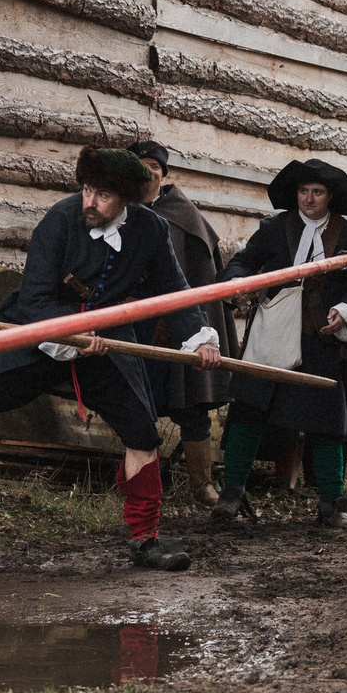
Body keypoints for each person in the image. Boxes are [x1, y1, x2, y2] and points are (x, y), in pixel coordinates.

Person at [0, 145, 223, 571]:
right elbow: (35, 299)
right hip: (41, 328)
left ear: (127, 201)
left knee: (142, 433)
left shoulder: (151, 229)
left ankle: (145, 539)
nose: (89, 202)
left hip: (107, 341)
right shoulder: (59, 220)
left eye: (103, 195)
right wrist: (72, 329)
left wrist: (200, 340)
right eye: (87, 189)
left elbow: (175, 293)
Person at [209, 159, 347, 530]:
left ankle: (332, 504)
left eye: (317, 192)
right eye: (304, 191)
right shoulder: (274, 229)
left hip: (321, 340)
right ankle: (231, 494)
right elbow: (244, 262)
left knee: (327, 422)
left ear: (330, 197)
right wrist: (239, 282)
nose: (309, 198)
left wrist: (344, 311)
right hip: (271, 335)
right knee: (248, 410)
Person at [131, 139, 230, 505]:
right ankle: (140, 484)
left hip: (179, 326)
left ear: (164, 174)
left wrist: (194, 326)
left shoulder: (184, 216)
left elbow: (200, 276)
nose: (148, 173)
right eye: (140, 166)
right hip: (133, 324)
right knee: (134, 403)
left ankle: (202, 485)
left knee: (190, 405)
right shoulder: (119, 210)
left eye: (154, 167)